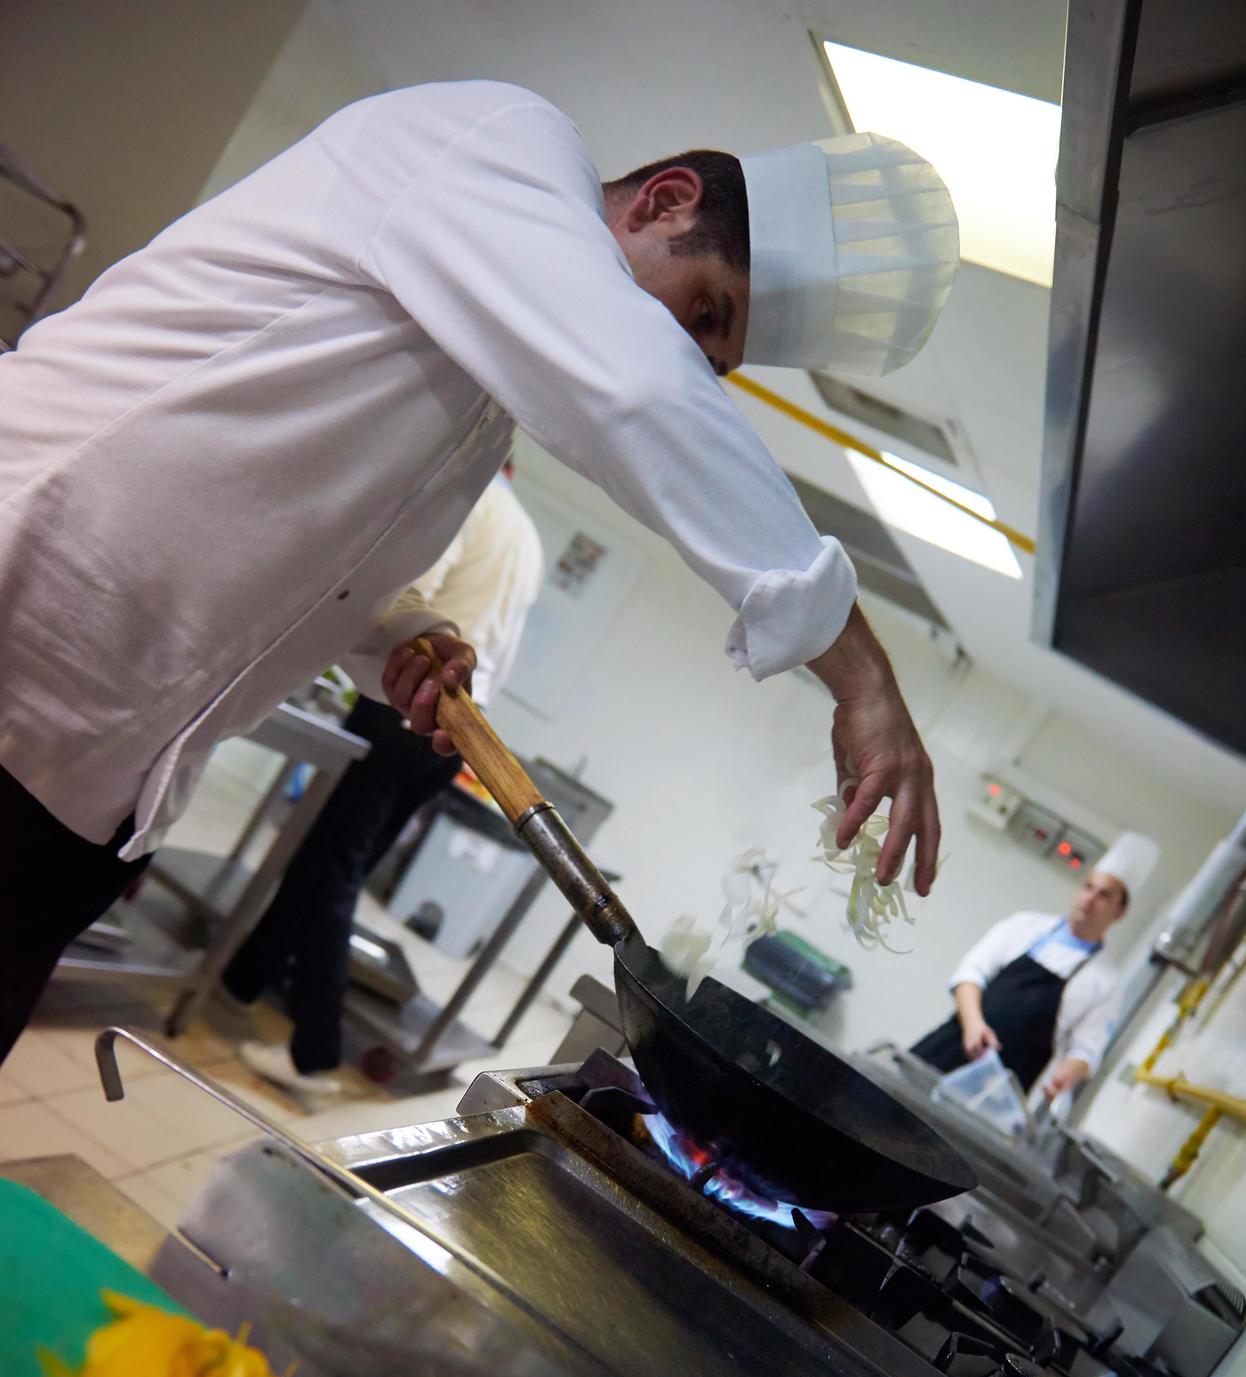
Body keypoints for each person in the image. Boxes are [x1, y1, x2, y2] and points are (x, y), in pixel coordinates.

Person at [0, 80, 960, 1067]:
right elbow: (637, 385)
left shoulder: (476, 409)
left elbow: (302, 544)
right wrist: (861, 673)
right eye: (703, 311)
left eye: (711, 356)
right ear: (663, 200)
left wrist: (397, 631)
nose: (682, 353)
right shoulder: (498, 140)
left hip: (91, 786)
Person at [226, 471, 545, 1094]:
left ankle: (313, 1053)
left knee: (333, 867)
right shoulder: (527, 536)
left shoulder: (467, 495)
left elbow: (409, 597)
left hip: (404, 704)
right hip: (456, 733)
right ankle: (246, 975)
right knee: (334, 857)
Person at [910, 835, 1159, 1099]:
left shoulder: (1106, 982)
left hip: (998, 1092)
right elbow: (970, 973)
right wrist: (973, 1025)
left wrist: (1066, 1075)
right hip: (948, 1046)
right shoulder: (1024, 926)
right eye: (1088, 887)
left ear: (1120, 912)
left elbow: (1086, 1051)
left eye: (1104, 895)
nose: (1089, 899)